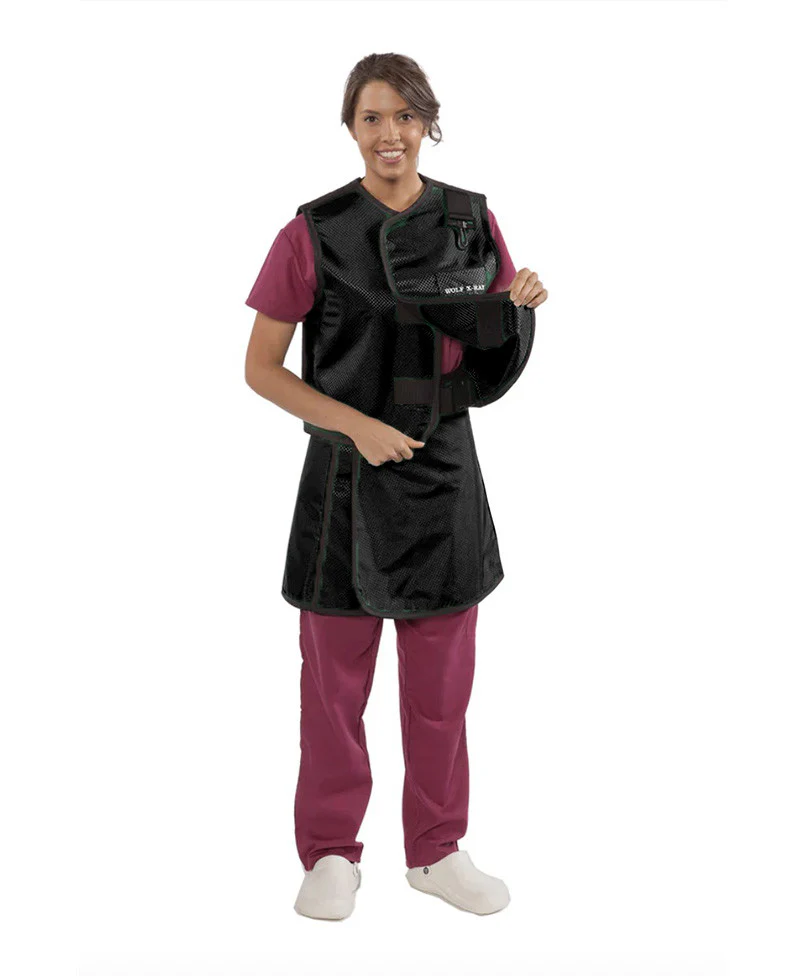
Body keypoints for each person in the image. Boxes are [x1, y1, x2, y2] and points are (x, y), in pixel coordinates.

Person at [244, 53, 548, 921]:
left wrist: (519, 306)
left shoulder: (470, 220)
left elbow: (488, 356)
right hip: (345, 483)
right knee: (332, 694)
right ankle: (330, 854)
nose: (390, 134)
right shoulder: (312, 232)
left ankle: (438, 852)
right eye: (372, 117)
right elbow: (262, 369)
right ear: (350, 127)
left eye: (405, 117)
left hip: (443, 480)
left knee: (442, 694)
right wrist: (356, 425)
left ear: (428, 123)